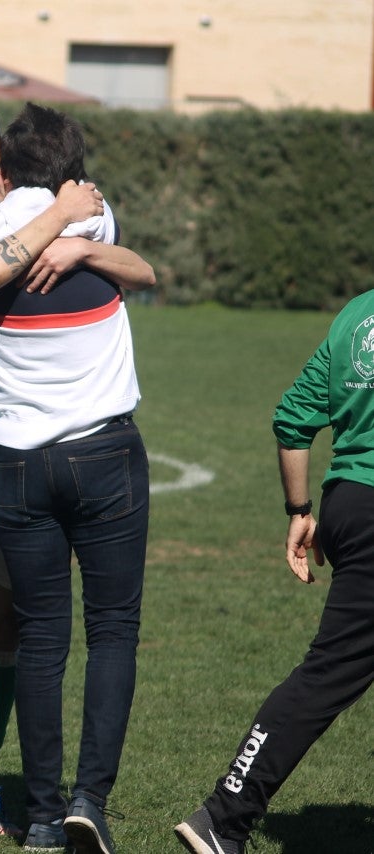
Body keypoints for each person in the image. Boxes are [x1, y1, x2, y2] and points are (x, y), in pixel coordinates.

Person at [0, 102, 155, 854]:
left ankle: (7, 791)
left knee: (24, 631)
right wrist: (73, 224)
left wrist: (66, 233)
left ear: (9, 166)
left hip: (9, 450)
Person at [174, 292, 374, 854]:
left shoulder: (357, 315)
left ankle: (224, 814)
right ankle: (224, 814)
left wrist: (298, 510)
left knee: (331, 669)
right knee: (329, 672)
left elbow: (293, 418)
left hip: (351, 504)